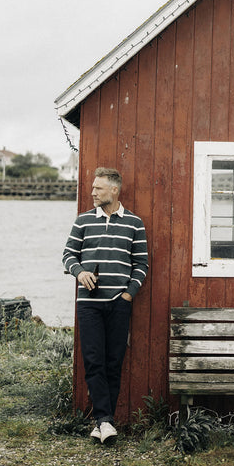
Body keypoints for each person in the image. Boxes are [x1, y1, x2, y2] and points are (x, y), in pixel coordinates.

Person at [62, 167, 149, 444]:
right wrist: (79, 272)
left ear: (114, 190)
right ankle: (104, 421)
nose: (92, 192)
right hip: (88, 305)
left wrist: (128, 294)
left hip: (119, 304)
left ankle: (103, 423)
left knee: (113, 363)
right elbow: (68, 255)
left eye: (98, 188)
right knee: (93, 362)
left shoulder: (134, 223)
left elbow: (142, 265)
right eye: (92, 188)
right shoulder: (83, 221)